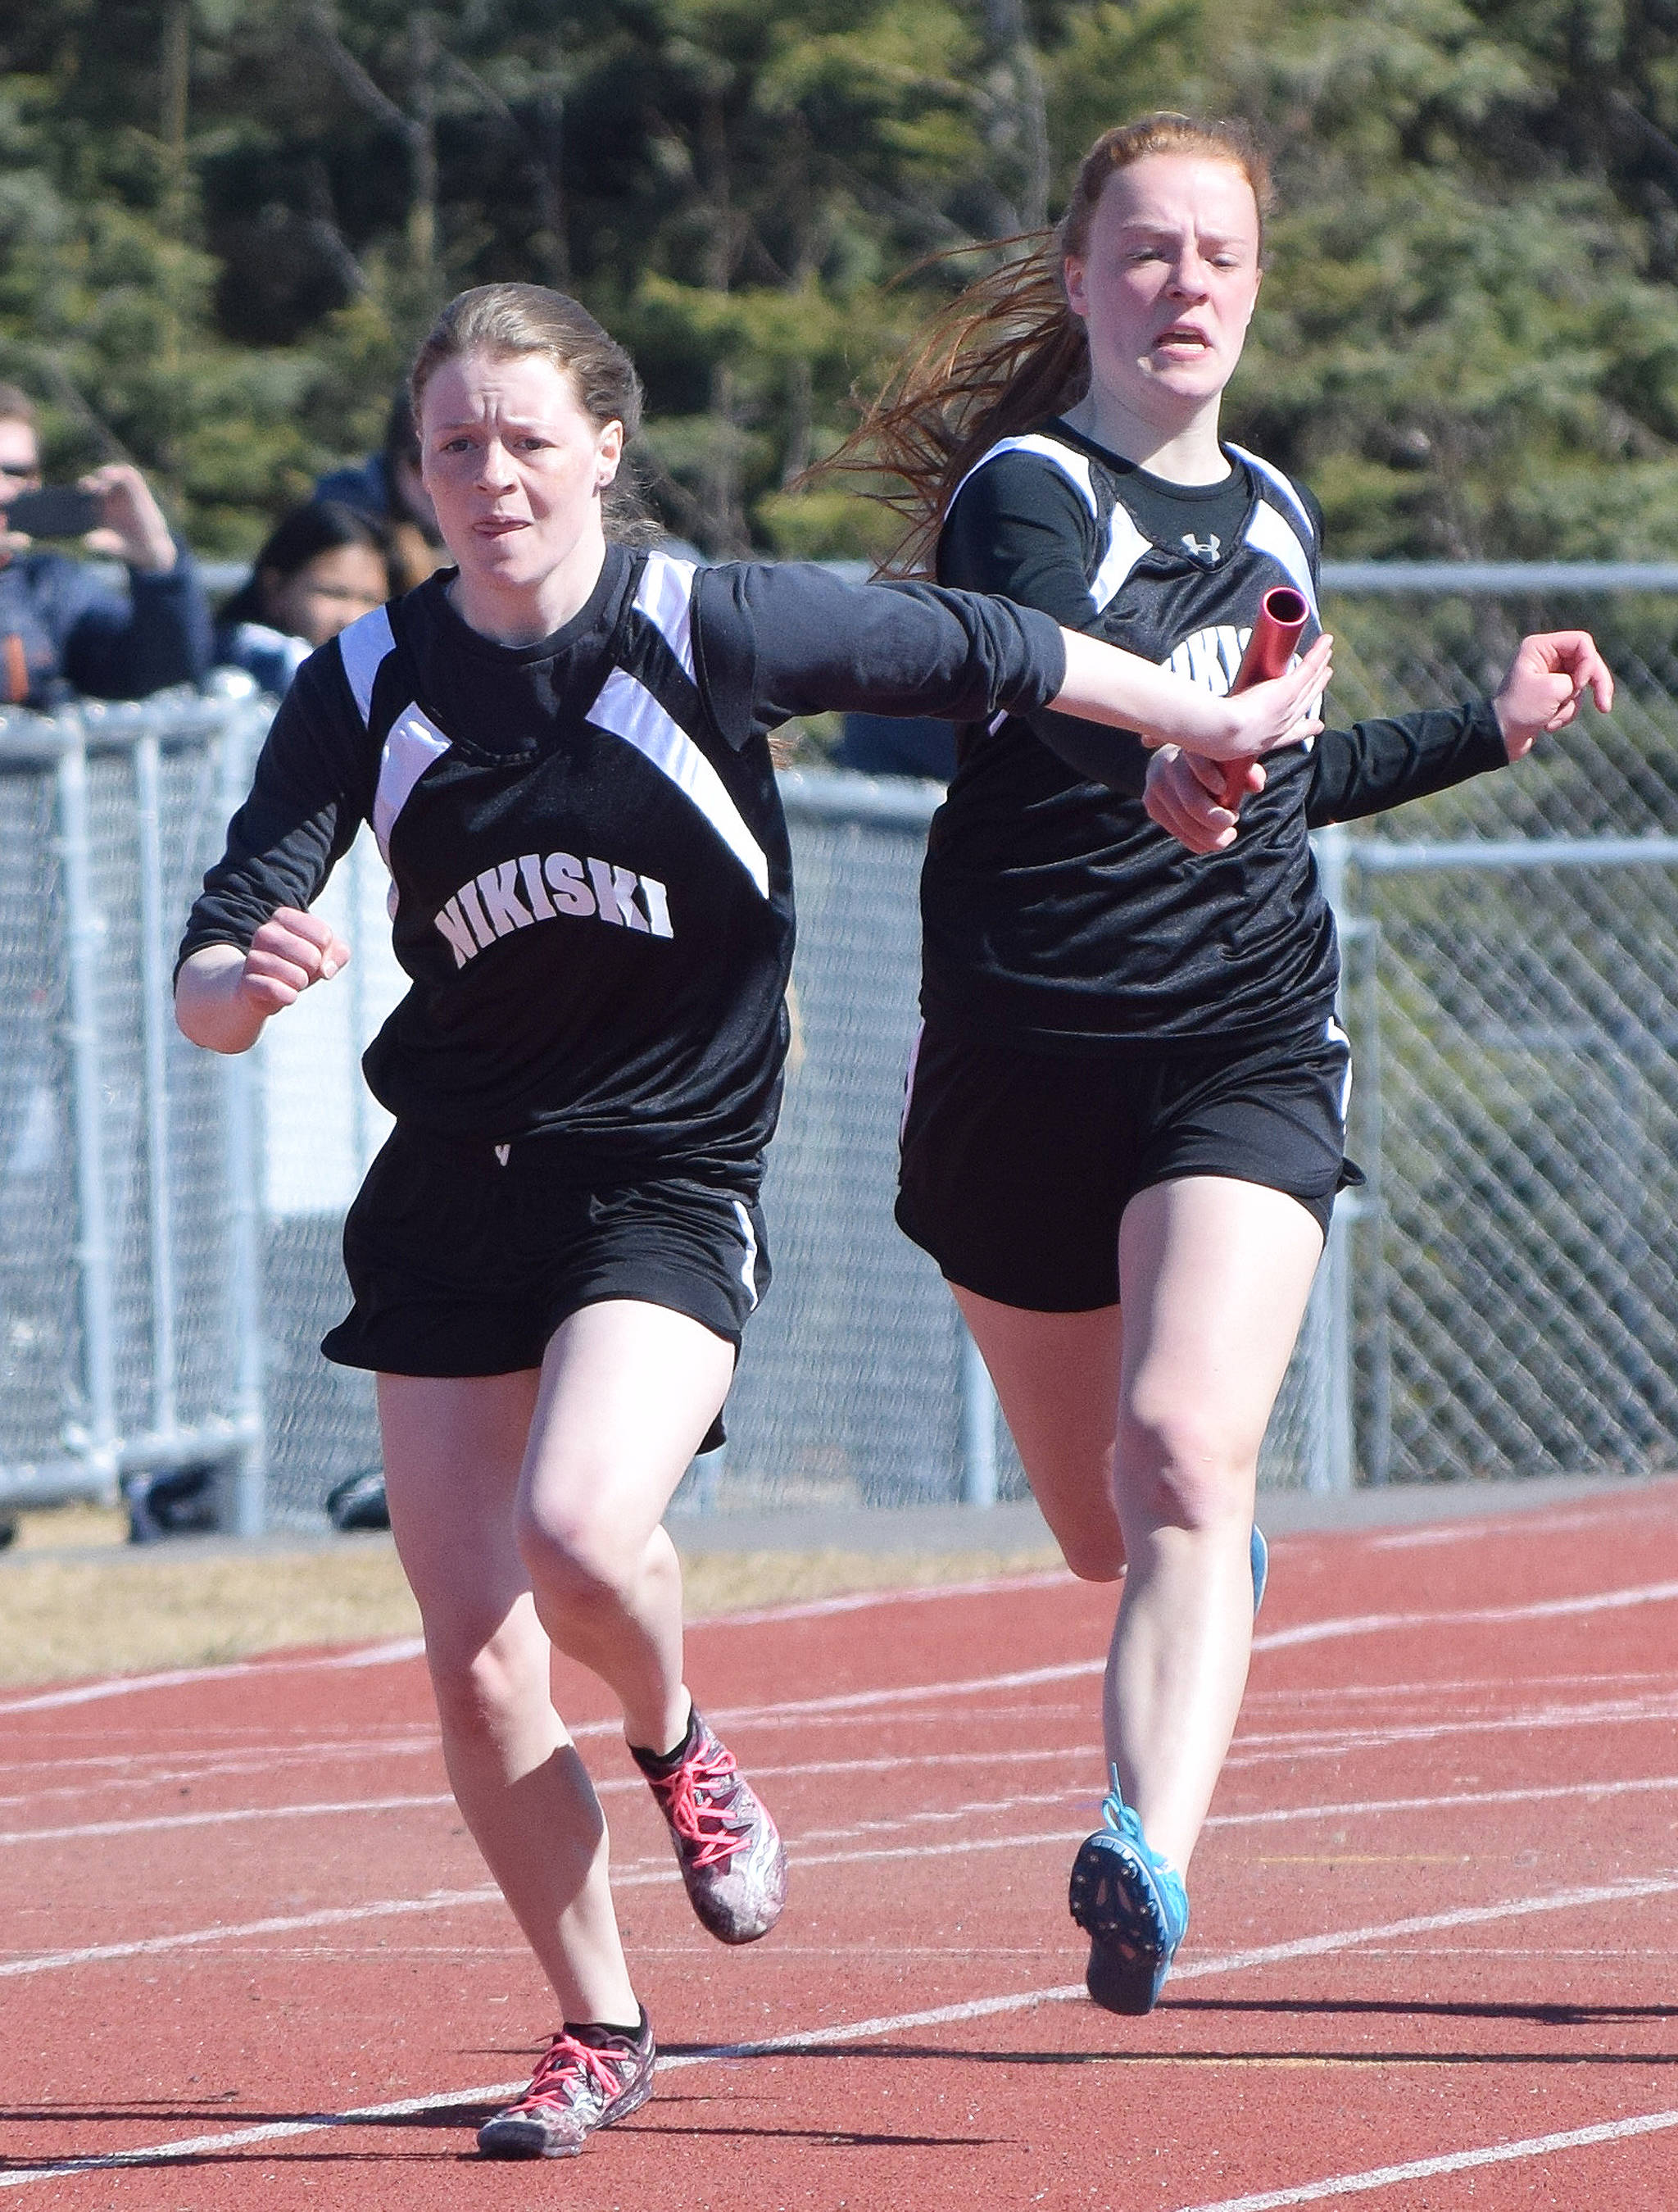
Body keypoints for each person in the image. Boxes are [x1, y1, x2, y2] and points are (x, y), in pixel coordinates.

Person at [173, 280, 1332, 2161]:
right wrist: (248, 976)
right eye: (453, 448)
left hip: (663, 1171)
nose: (490, 479)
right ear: (419, 470)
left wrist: (1196, 714)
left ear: (603, 451)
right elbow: (217, 956)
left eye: (528, 440)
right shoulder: (367, 678)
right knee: (471, 1645)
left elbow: (989, 645)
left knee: (573, 1527)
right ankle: (596, 2019)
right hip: (448, 1182)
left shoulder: (696, 621)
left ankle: (676, 1723)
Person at [828, 112, 1613, 2018]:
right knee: (1104, 1519)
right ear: (1083, 275)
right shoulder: (1029, 487)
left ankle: (1142, 1844)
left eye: (1220, 257)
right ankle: (1205, 1574)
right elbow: (1040, 671)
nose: (1185, 285)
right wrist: (1167, 756)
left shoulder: (1267, 507)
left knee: (1180, 1445)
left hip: (1236, 1044)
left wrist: (1479, 732)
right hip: (1020, 1062)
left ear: (1254, 291)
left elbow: (1275, 777)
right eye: (1149, 252)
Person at [0, 384, 211, 709]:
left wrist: (159, 570)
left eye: (15, 472)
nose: (3, 492)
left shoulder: (50, 589)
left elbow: (163, 673)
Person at [213, 501, 395, 697]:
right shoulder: (238, 660)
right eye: (333, 593)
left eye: (371, 600)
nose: (352, 618)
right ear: (275, 588)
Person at [315, 389, 448, 591]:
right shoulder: (343, 504)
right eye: (419, 463)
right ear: (394, 460)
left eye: (462, 457)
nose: (436, 480)